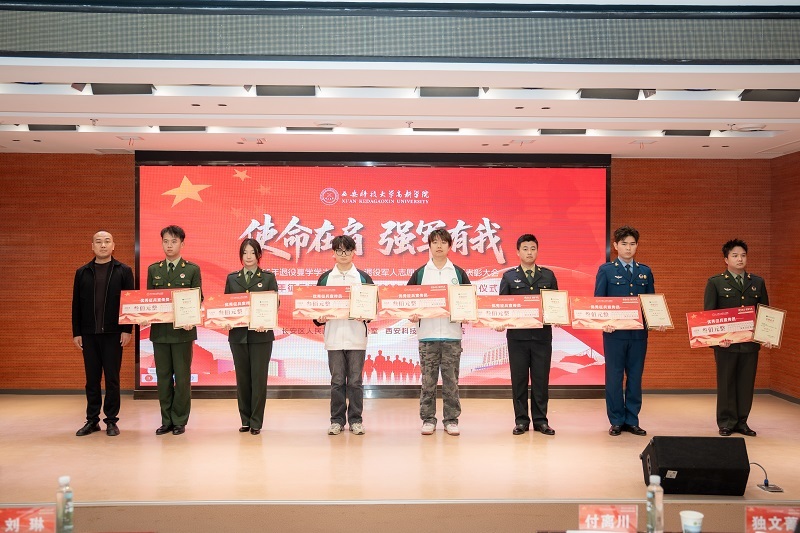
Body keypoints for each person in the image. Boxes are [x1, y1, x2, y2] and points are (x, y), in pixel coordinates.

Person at [704, 239, 769, 437]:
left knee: (746, 384)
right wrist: (716, 339)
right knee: (726, 383)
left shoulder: (757, 282)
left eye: (743, 255)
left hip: (750, 344)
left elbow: (765, 313)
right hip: (726, 344)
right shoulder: (715, 282)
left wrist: (768, 335)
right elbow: (709, 315)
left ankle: (742, 422)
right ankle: (726, 422)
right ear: (726, 259)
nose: (740, 259)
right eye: (735, 255)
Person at [408, 228, 471, 436]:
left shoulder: (458, 273)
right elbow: (408, 300)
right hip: (427, 335)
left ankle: (451, 420)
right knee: (428, 380)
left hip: (452, 336)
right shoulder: (420, 273)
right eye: (435, 242)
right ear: (429, 246)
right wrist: (412, 313)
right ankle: (428, 419)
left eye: (443, 242)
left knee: (451, 380)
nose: (439, 246)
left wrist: (466, 313)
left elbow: (468, 301)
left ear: (450, 246)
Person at [72, 231, 135, 437]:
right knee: (92, 379)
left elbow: (129, 303)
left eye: (107, 241)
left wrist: (127, 330)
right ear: (92, 246)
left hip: (113, 334)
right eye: (98, 242)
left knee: (112, 379)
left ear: (113, 245)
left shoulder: (123, 271)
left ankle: (111, 421)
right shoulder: (82, 272)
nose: (103, 245)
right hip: (89, 334)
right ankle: (92, 420)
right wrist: (77, 332)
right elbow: (76, 305)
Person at [594, 226, 655, 437]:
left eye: (632, 244)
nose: (628, 248)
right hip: (614, 334)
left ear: (637, 246)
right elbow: (599, 301)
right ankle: (616, 420)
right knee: (614, 378)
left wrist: (656, 320)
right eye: (624, 244)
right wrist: (604, 322)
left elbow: (651, 302)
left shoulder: (645, 271)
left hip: (638, 335)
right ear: (615, 246)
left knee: (635, 378)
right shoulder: (606, 270)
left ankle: (632, 420)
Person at [313, 235, 374, 436]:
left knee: (355, 382)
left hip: (357, 338)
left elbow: (372, 308)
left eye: (347, 250)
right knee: (337, 381)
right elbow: (315, 309)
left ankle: (356, 420)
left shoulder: (363, 278)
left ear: (354, 252)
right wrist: (319, 317)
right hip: (334, 338)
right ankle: (337, 420)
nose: (343, 254)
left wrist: (366, 315)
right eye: (339, 250)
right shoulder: (325, 278)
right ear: (333, 253)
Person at [498, 234, 558, 436]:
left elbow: (555, 304)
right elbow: (502, 306)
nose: (529, 252)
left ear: (537, 251)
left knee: (541, 380)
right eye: (525, 248)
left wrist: (558, 316)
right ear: (518, 252)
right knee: (519, 381)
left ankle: (541, 421)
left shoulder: (548, 276)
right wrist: (499, 322)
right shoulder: (508, 277)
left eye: (533, 248)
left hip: (542, 338)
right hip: (517, 339)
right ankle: (521, 420)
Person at [147, 225, 202, 436]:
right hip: (160, 333)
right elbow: (149, 300)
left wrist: (191, 317)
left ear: (182, 244)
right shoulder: (154, 269)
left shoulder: (192, 269)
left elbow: (198, 298)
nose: (169, 246)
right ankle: (166, 420)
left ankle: (179, 420)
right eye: (166, 241)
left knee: (182, 378)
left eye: (174, 241)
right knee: (162, 378)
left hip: (182, 333)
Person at [224, 239, 278, 436]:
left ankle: (256, 421)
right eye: (245, 253)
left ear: (259, 255)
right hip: (238, 336)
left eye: (252, 253)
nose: (248, 256)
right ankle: (245, 420)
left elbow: (275, 304)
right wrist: (226, 320)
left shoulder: (268, 278)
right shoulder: (232, 278)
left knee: (258, 379)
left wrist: (266, 319)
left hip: (261, 336)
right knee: (242, 379)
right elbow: (226, 305)